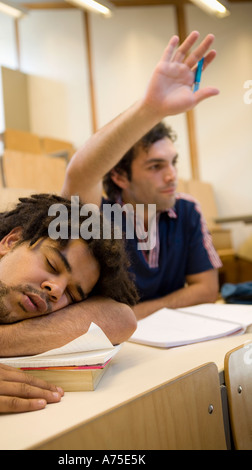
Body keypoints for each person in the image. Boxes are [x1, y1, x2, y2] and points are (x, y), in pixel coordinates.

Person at [62, 31, 222, 320]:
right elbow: (80, 175)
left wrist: (133, 315)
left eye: (173, 163)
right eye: (155, 166)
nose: (172, 176)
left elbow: (206, 289)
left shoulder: (187, 209)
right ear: (120, 177)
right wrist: (150, 108)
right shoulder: (96, 218)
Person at [0, 193, 138, 421]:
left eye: (71, 293)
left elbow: (121, 318)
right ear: (11, 242)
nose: (56, 291)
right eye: (52, 264)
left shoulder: (10, 304)